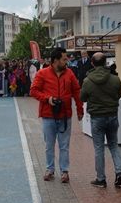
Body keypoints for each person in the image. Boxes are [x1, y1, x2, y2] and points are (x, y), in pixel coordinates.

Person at [30, 47, 84, 183]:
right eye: (64, 59)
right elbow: (33, 91)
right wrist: (47, 99)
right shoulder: (42, 73)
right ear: (56, 60)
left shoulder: (69, 73)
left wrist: (80, 109)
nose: (67, 61)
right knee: (49, 145)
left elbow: (77, 92)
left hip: (65, 115)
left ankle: (64, 171)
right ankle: (50, 169)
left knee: (64, 145)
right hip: (48, 115)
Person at [80, 52, 121, 188]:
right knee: (114, 145)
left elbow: (82, 98)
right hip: (112, 115)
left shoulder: (87, 81)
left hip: (97, 117)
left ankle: (101, 179)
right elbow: (118, 95)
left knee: (99, 148)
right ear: (106, 63)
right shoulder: (115, 79)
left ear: (92, 63)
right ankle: (119, 172)